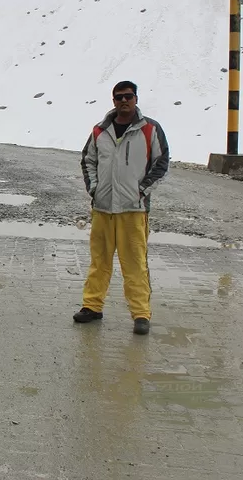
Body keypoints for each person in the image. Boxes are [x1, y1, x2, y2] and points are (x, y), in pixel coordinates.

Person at [74, 81, 169, 335]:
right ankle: (92, 306)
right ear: (113, 101)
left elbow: (161, 164)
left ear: (136, 99)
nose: (124, 101)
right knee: (99, 261)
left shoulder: (150, 130)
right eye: (119, 97)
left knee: (135, 263)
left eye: (128, 96)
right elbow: (88, 161)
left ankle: (140, 314)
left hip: (133, 211)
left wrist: (142, 190)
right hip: (103, 209)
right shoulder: (100, 131)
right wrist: (94, 189)